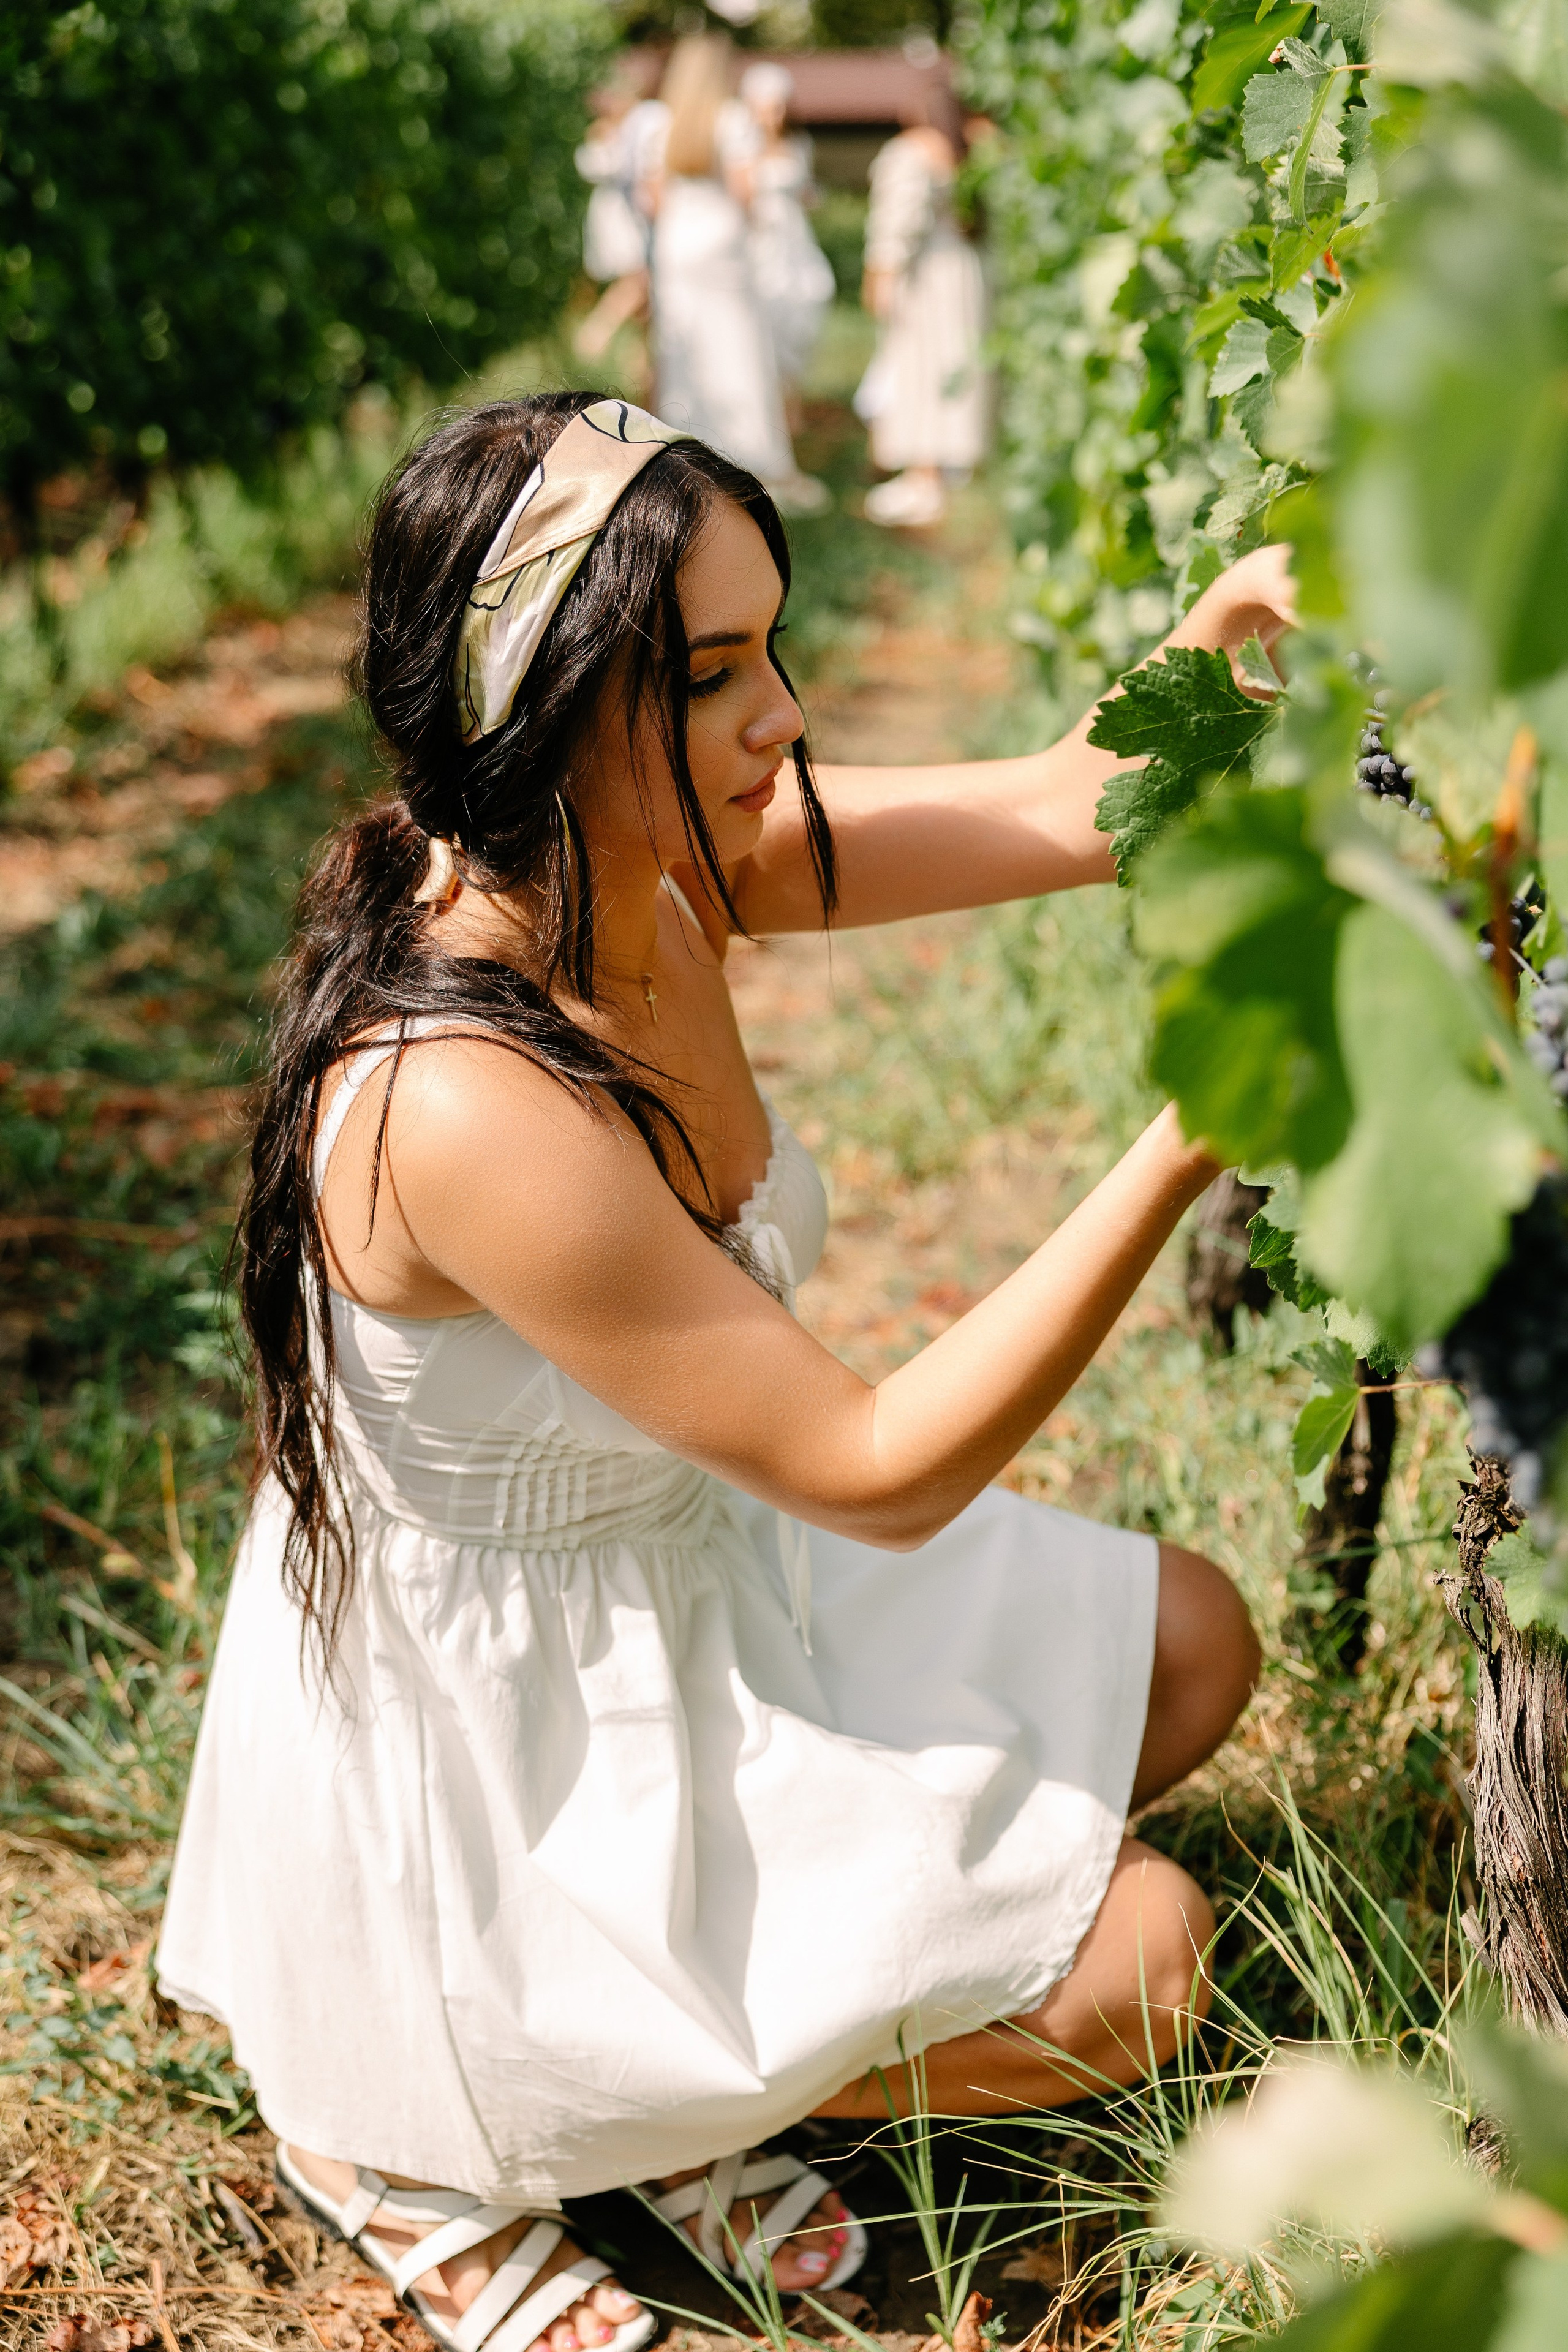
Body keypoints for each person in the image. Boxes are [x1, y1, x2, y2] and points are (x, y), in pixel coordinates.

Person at [156, 390, 1291, 2352]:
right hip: (527, 1756)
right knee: (1151, 1960)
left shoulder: (665, 856)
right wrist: (1186, 1135)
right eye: (709, 672)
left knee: (1195, 1642)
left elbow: (1060, 795)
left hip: (687, 1578)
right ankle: (467, 2117)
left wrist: (1203, 671)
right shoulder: (461, 1094)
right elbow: (865, 1465)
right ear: (552, 703)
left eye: (774, 645)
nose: (780, 712)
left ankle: (701, 2063)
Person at [645, 37, 827, 516]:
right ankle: (752, 457)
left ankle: (684, 453)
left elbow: (653, 199)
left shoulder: (661, 124)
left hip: (676, 247)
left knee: (683, 349)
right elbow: (746, 191)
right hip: (722, 245)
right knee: (740, 349)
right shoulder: (731, 119)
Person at [858, 81, 988, 529]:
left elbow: (897, 221)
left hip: (923, 275)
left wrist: (881, 275)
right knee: (953, 366)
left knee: (917, 367)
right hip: (963, 272)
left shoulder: (910, 151)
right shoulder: (966, 148)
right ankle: (948, 466)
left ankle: (923, 477)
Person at [733, 62, 836, 403]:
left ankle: (791, 389)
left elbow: (806, 190)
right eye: (768, 108)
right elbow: (742, 199)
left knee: (809, 295)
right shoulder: (743, 147)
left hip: (795, 236)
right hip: (762, 239)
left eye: (779, 108)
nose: (775, 116)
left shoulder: (799, 143)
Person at [572, 78, 655, 369]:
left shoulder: (638, 128)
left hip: (632, 211)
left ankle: (640, 362)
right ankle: (594, 335)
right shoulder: (602, 134)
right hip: (619, 215)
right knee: (638, 279)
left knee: (647, 299)